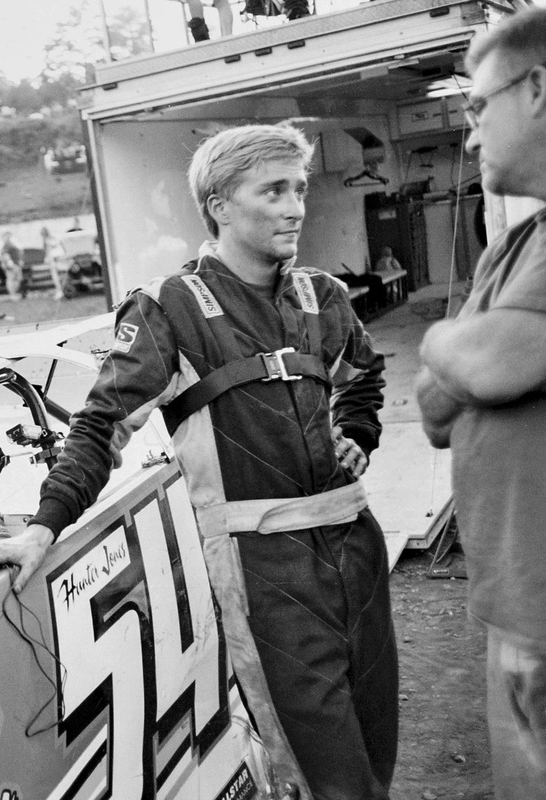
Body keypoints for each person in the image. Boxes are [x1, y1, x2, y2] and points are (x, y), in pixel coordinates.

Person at [0, 123, 395, 799]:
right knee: (331, 779)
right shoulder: (170, 308)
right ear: (220, 205)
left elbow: (364, 374)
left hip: (356, 547)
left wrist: (357, 430)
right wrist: (43, 526)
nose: (295, 207)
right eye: (273, 191)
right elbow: (100, 424)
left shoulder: (323, 296)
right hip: (264, 570)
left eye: (299, 189)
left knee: (376, 754)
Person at [416, 10, 546, 798]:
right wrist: (463, 351)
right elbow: (434, 412)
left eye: (477, 107)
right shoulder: (514, 246)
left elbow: (490, 364)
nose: (470, 137)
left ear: (537, 90)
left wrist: (444, 338)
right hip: (518, 611)